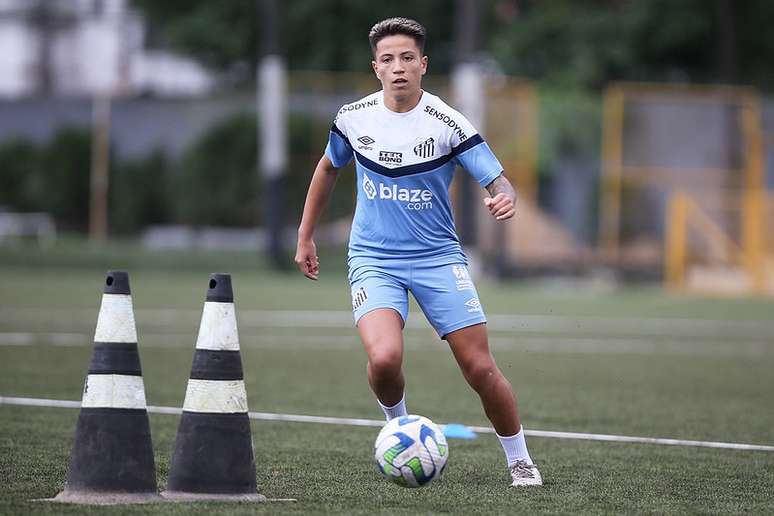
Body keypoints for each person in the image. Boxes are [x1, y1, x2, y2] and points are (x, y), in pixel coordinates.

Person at [294, 17, 542, 487]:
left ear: (423, 65)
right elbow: (328, 169)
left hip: (437, 258)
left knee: (479, 366)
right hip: (373, 258)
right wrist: (305, 236)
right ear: (376, 68)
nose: (399, 67)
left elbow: (495, 177)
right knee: (385, 359)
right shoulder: (353, 119)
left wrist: (504, 194)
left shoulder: (448, 122)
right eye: (388, 59)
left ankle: (520, 460)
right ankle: (400, 428)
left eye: (408, 58)